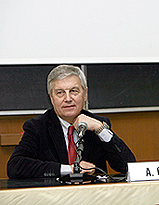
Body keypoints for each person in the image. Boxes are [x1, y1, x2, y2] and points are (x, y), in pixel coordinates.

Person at [7, 64, 136, 178]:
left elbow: (128, 166)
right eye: (60, 93)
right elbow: (15, 166)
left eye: (74, 91)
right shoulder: (37, 127)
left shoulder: (97, 124)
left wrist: (100, 129)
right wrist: (70, 170)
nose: (68, 98)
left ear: (85, 94)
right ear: (51, 98)